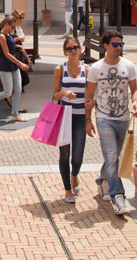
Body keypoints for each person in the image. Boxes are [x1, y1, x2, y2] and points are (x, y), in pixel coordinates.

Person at [86, 30, 137, 216]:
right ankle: (119, 197)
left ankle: (102, 179)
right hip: (103, 118)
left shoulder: (129, 66)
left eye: (121, 45)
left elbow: (135, 91)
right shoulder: (95, 68)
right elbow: (89, 95)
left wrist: (135, 103)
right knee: (111, 156)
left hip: (123, 117)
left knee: (114, 157)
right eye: (115, 45)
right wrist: (88, 120)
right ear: (106, 46)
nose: (118, 48)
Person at [53, 35, 87, 204]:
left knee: (78, 157)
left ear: (80, 49)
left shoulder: (87, 69)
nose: (73, 51)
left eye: (76, 48)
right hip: (65, 116)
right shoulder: (60, 69)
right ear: (65, 51)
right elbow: (54, 94)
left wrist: (90, 119)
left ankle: (75, 175)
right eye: (70, 49)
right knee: (65, 155)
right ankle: (67, 189)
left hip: (81, 117)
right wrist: (64, 93)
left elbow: (89, 95)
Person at [0, 16, 30, 121]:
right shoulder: (1, 36)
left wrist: (17, 45)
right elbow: (7, 53)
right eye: (12, 27)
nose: (14, 29)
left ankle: (15, 113)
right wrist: (21, 63)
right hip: (5, 66)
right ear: (7, 25)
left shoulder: (9, 34)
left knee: (18, 89)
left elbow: (11, 44)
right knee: (8, 92)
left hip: (13, 65)